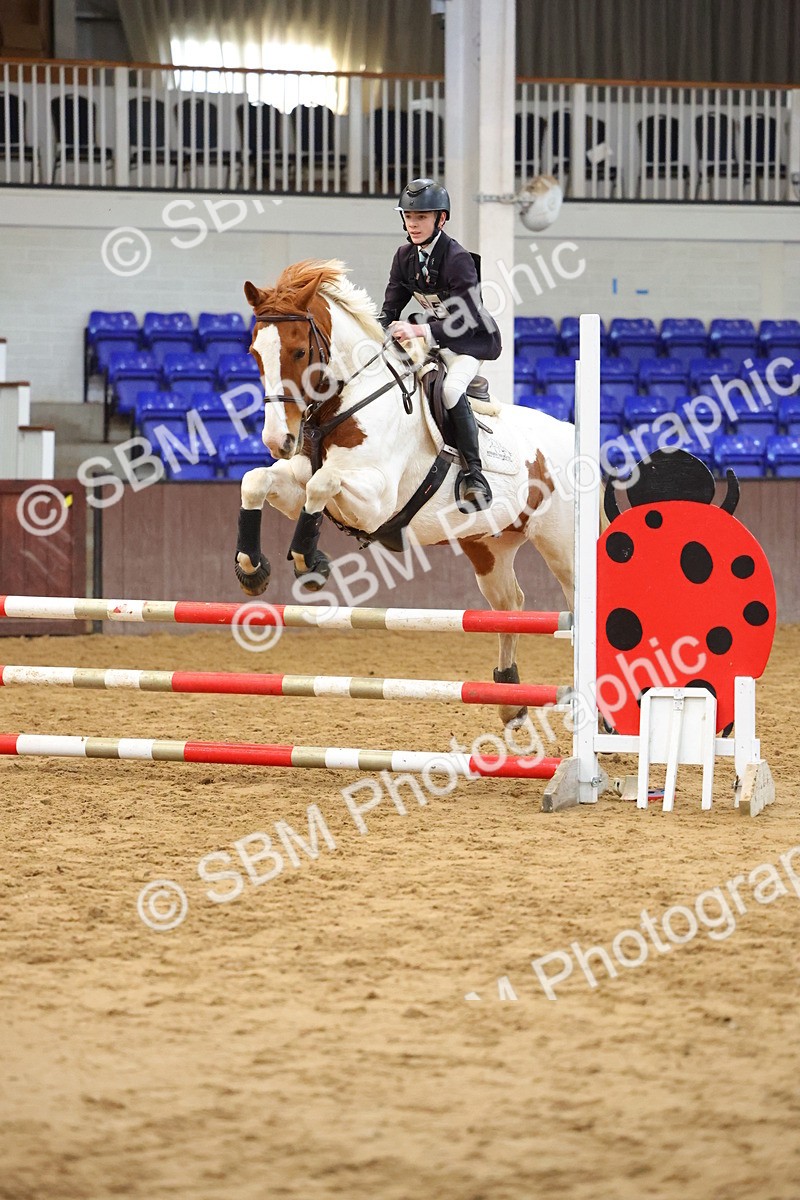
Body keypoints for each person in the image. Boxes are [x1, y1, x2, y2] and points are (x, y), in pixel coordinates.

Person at [378, 177, 501, 512]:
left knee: (449, 390)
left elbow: (466, 318)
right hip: (432, 339)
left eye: (421, 217)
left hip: (469, 342)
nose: (413, 224)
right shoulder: (404, 256)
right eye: (408, 216)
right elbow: (390, 309)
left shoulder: (458, 258)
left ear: (441, 219)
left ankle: (474, 474)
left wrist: (419, 331)